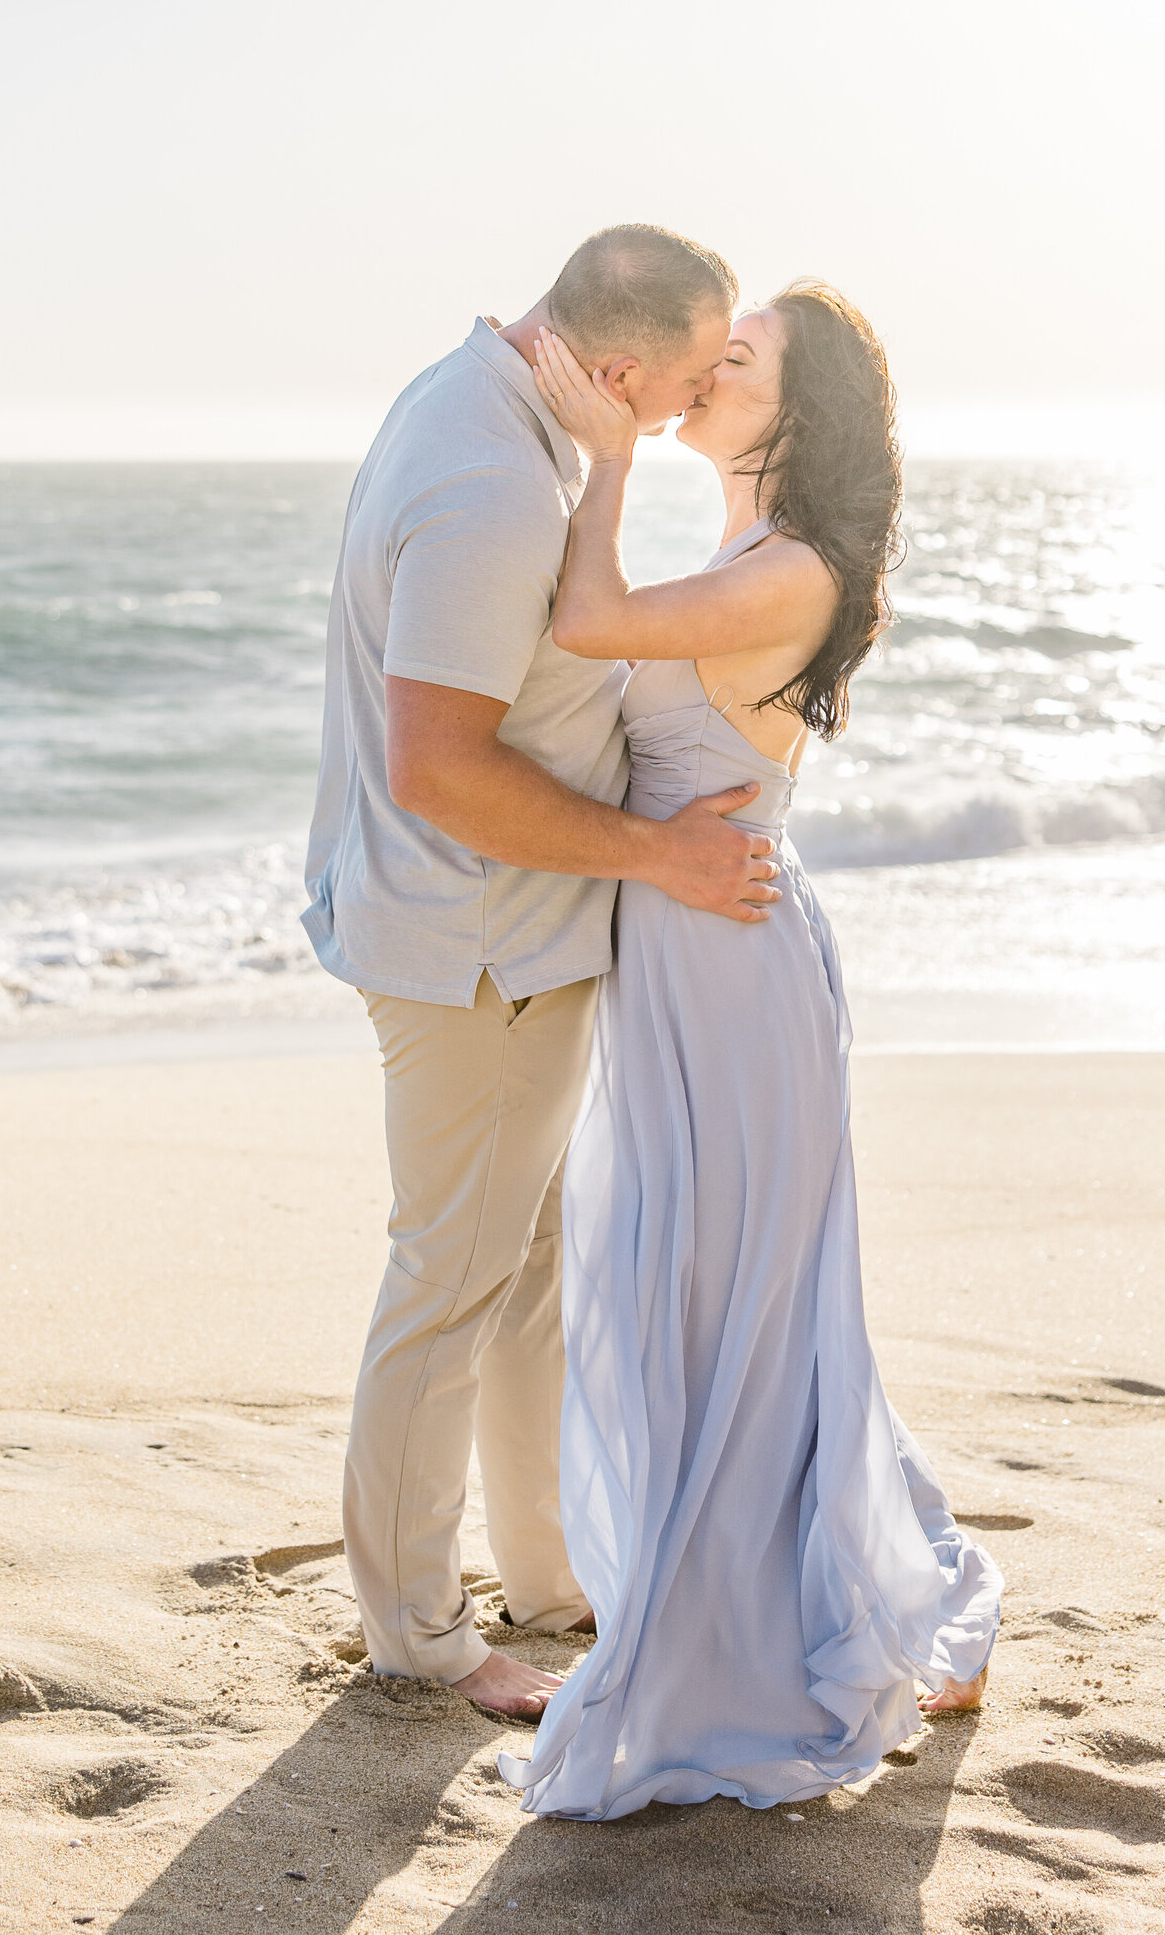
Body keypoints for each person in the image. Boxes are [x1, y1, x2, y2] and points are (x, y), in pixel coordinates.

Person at [498, 283, 1002, 1818]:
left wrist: (596, 456)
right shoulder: (742, 551)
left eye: (743, 360)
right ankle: (887, 1584)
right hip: (689, 954)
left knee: (740, 1320)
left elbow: (587, 623)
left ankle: (785, 1629)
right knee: (709, 1307)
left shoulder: (789, 570)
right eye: (714, 356)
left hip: (736, 973)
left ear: (801, 412)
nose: (712, 371)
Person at [302, 225, 784, 1719]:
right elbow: (440, 766)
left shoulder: (491, 403)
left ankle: (549, 1576)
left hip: (493, 934)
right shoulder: (496, 482)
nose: (696, 402)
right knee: (450, 1281)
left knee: (517, 1277)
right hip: (479, 951)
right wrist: (663, 858)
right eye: (693, 379)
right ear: (623, 365)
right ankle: (419, 1637)